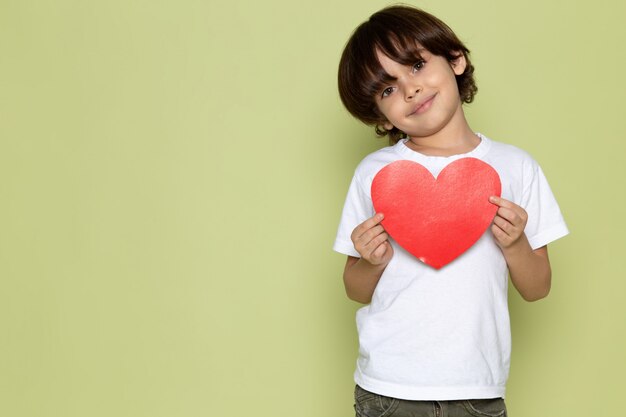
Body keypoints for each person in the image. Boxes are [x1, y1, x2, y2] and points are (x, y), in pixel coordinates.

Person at [333, 5, 569, 416]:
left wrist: (515, 244)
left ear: (456, 60)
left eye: (418, 65)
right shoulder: (375, 175)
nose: (410, 89)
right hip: (389, 388)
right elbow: (355, 288)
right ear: (379, 114)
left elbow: (538, 288)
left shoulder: (516, 166)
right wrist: (371, 262)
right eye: (387, 89)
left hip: (477, 387)